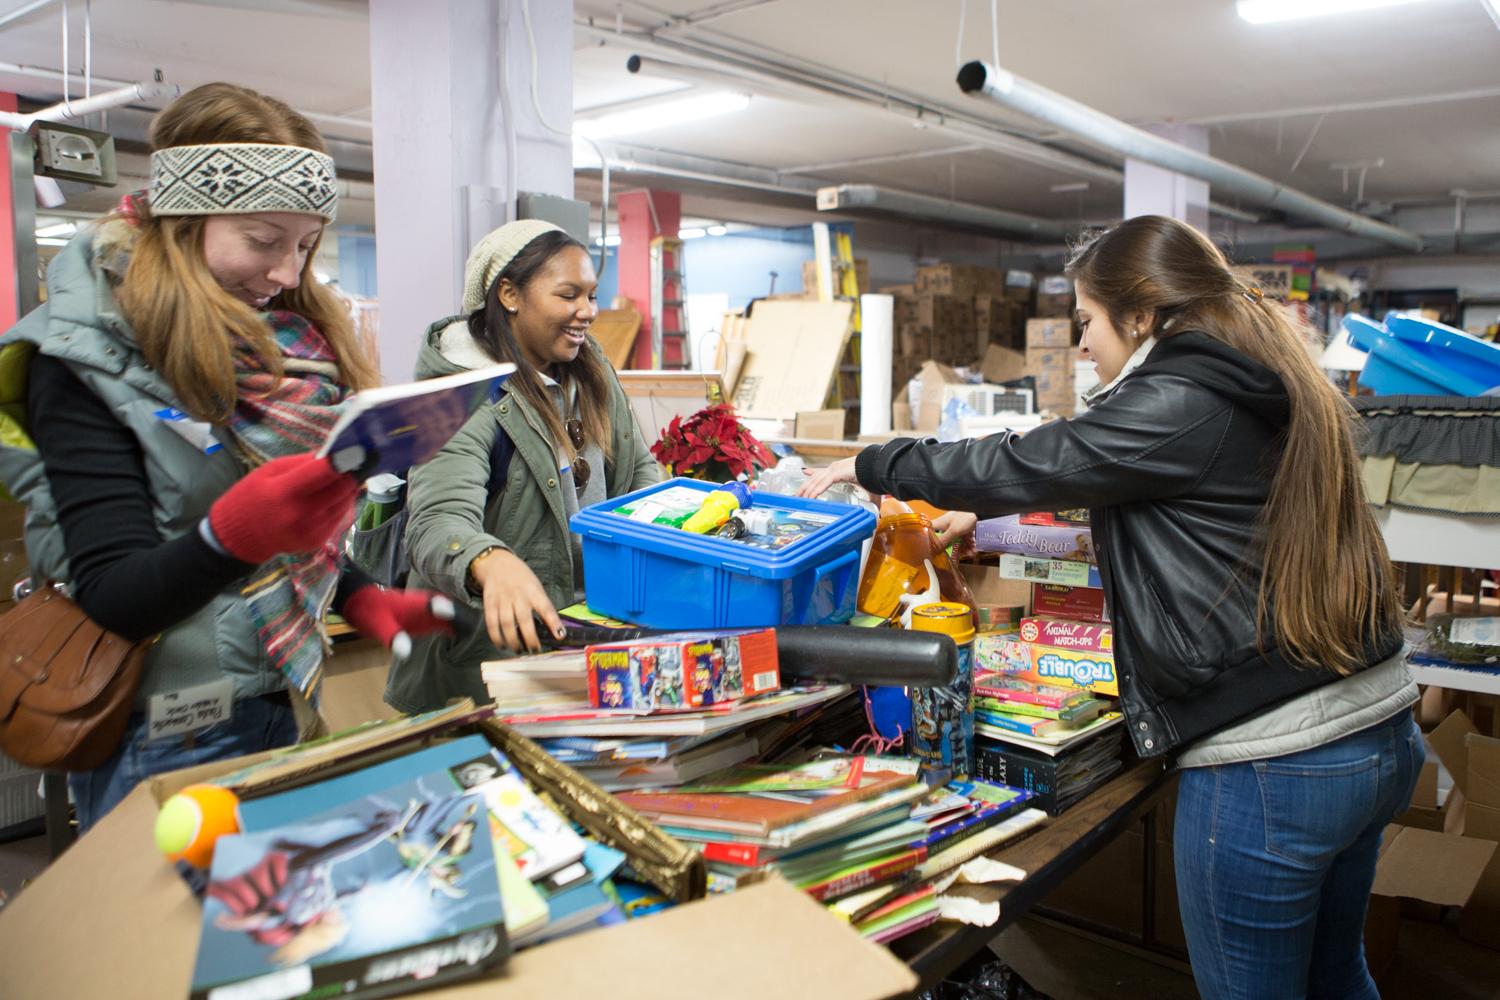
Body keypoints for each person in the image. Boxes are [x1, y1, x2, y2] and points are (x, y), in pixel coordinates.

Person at [800, 215, 1422, 1000]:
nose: (1082, 343)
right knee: (1337, 976)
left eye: (1087, 319)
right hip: (1374, 727)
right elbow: (1173, 511)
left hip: (1276, 761)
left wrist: (873, 461)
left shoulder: (1179, 397)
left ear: (1142, 314)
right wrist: (985, 518)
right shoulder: (1254, 380)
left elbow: (1033, 459)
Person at [0, 83, 457, 831]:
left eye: (305, 245)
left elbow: (273, 533)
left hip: (280, 699)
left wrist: (355, 594)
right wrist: (231, 535)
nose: (288, 274)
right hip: (162, 733)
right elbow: (111, 594)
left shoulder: (282, 349)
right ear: (184, 222)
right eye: (264, 239)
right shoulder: (82, 361)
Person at [385, 221, 660, 714]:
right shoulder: (460, 396)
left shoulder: (590, 371)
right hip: (484, 673)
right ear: (509, 295)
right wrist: (488, 560)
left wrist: (667, 527)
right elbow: (435, 521)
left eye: (592, 295)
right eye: (568, 295)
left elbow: (638, 468)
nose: (588, 311)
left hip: (582, 642)